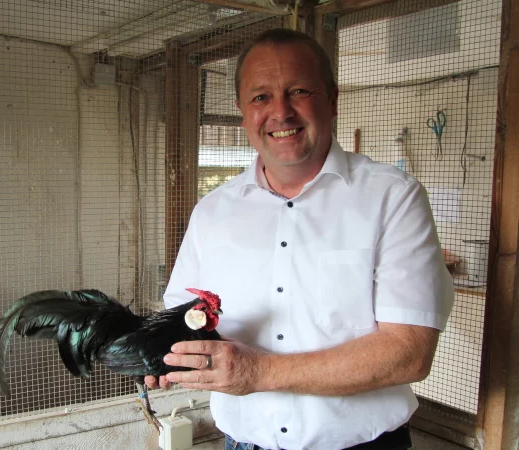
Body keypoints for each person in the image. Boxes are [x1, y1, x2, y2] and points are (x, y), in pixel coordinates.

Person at [146, 28, 454, 450]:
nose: (281, 112)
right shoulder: (212, 211)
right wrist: (163, 354)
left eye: (299, 91)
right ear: (242, 113)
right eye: (261, 97)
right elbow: (183, 317)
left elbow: (410, 353)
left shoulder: (392, 197)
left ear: (332, 100)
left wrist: (258, 373)